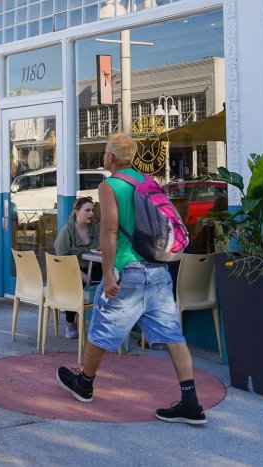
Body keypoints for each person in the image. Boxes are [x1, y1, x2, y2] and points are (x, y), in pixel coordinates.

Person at [55, 132, 207, 425]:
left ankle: (84, 385)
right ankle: (191, 402)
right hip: (159, 270)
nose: (104, 157)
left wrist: (109, 271)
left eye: (104, 153)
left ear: (110, 157)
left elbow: (109, 230)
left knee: (102, 328)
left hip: (130, 271)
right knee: (173, 336)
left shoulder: (109, 185)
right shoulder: (149, 182)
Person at [53, 196, 101, 339]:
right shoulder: (67, 231)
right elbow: (62, 259)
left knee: (109, 281)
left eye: (92, 210)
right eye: (87, 210)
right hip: (71, 270)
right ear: (77, 211)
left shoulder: (96, 227)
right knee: (76, 284)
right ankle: (69, 322)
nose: (91, 214)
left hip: (95, 266)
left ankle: (101, 323)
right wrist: (81, 274)